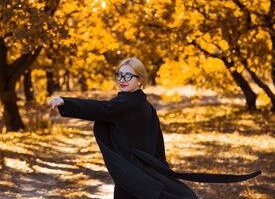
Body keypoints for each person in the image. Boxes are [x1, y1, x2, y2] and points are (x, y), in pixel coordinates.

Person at [47, 57, 260, 199]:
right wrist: (162, 167)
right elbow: (158, 141)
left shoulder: (127, 104)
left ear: (140, 80)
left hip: (134, 173)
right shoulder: (145, 105)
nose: (122, 80)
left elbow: (103, 108)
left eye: (128, 76)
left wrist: (65, 101)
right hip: (140, 172)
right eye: (119, 75)